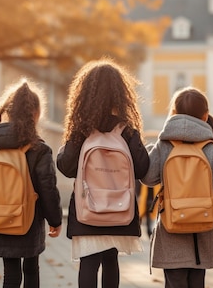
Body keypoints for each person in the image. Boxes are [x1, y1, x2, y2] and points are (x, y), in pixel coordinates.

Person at [56, 59, 150, 288]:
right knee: (111, 261)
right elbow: (142, 168)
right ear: (121, 94)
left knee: (88, 263)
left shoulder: (81, 129)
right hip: (119, 206)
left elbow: (66, 167)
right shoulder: (126, 129)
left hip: (88, 207)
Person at [0, 79, 63, 288]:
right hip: (27, 220)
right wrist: (55, 220)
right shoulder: (39, 149)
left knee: (10, 273)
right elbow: (47, 187)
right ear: (36, 114)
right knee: (31, 269)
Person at [141, 86, 213, 288]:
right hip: (201, 233)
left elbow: (148, 178)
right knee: (197, 282)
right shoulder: (212, 149)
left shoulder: (164, 145)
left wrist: (152, 150)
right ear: (205, 117)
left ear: (174, 114)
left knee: (174, 282)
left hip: (171, 229)